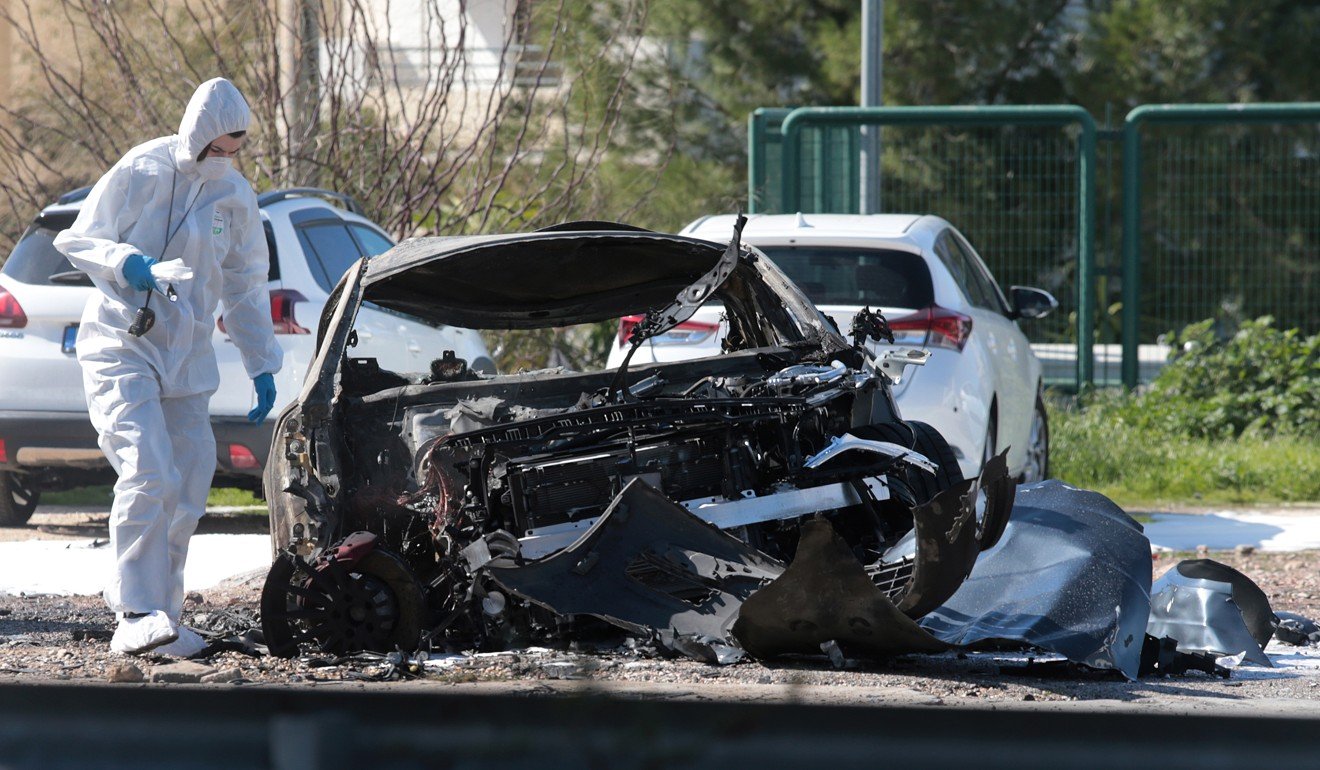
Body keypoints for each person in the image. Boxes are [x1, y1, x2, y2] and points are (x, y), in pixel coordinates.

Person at [55, 78, 282, 656]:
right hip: (121, 343)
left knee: (188, 485)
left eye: (236, 150)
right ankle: (134, 608)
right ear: (199, 134)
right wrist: (129, 264)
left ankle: (165, 621)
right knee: (148, 471)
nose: (226, 159)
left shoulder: (234, 195)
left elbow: (246, 283)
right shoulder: (144, 169)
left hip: (187, 354)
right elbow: (78, 239)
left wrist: (261, 360)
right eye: (219, 147)